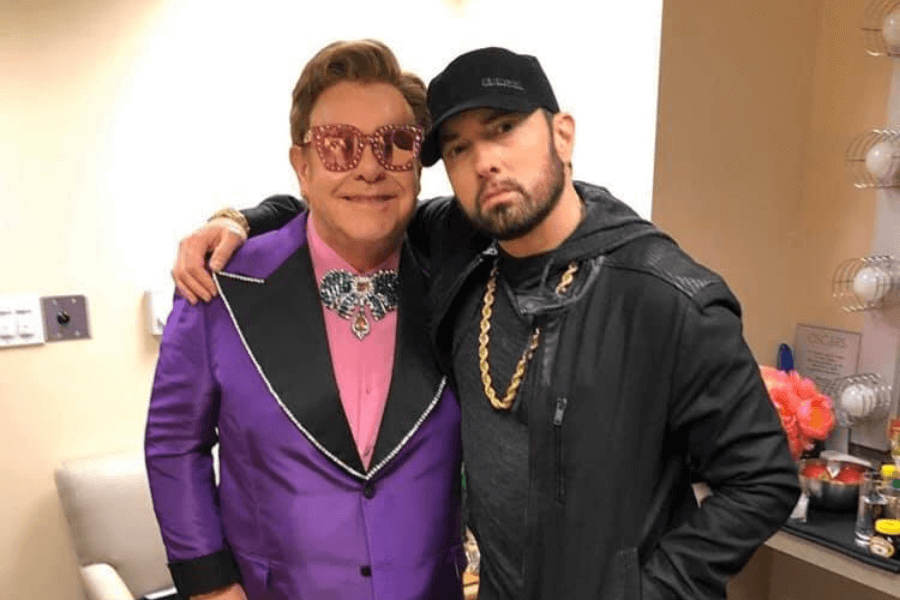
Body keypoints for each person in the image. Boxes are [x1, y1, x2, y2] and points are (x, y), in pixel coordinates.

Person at [174, 47, 801, 600]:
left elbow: (763, 479)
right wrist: (239, 219)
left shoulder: (667, 295)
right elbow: (351, 201)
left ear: (562, 134)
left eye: (503, 129)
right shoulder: (459, 250)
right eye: (457, 148)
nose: (485, 162)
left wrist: (649, 589)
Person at [145, 40, 464, 600]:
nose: (369, 167)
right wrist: (210, 585)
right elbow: (174, 444)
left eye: (394, 144)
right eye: (339, 145)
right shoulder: (221, 282)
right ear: (303, 166)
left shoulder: (460, 280)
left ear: (417, 165)